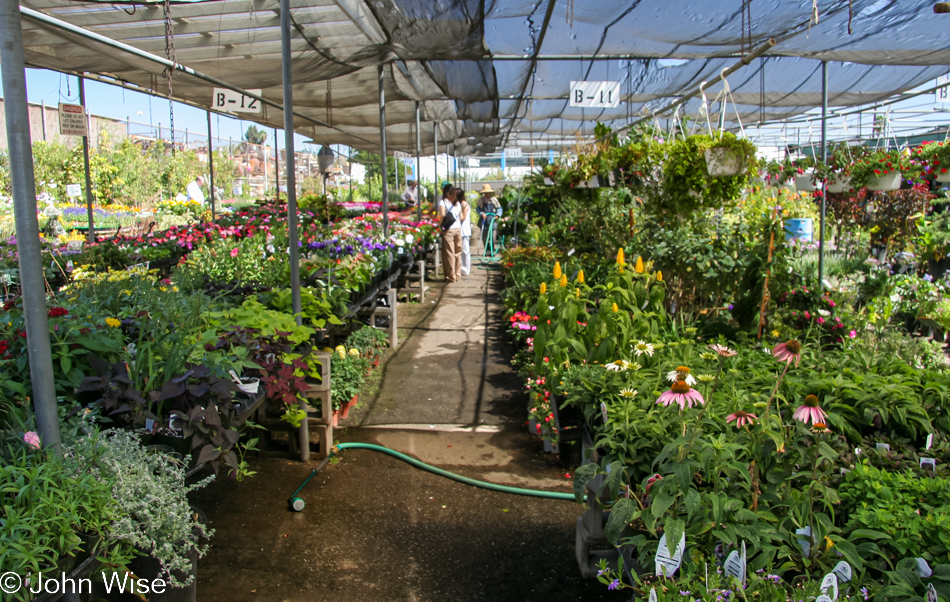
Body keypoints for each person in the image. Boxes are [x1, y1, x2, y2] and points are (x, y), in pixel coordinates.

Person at [438, 185, 465, 283]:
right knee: (458, 253)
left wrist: (440, 224)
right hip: (458, 229)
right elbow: (462, 217)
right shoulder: (457, 202)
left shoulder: (443, 202)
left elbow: (442, 215)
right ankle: (458, 275)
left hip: (448, 230)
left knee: (449, 253)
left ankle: (451, 276)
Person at [457, 188, 472, 277]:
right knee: (461, 250)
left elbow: (463, 217)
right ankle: (462, 268)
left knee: (465, 250)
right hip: (462, 230)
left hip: (464, 230)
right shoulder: (460, 204)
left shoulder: (464, 204)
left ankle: (466, 269)